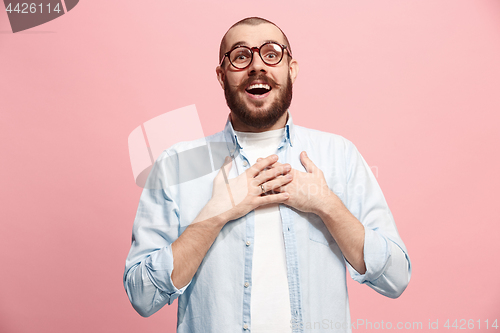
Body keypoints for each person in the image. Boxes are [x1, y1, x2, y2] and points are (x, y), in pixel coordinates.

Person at [124, 17, 411, 333]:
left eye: (272, 54)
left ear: (292, 68)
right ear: (222, 76)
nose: (257, 66)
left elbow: (394, 278)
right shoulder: (178, 165)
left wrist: (327, 205)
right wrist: (213, 215)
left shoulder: (338, 155)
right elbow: (142, 295)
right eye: (241, 56)